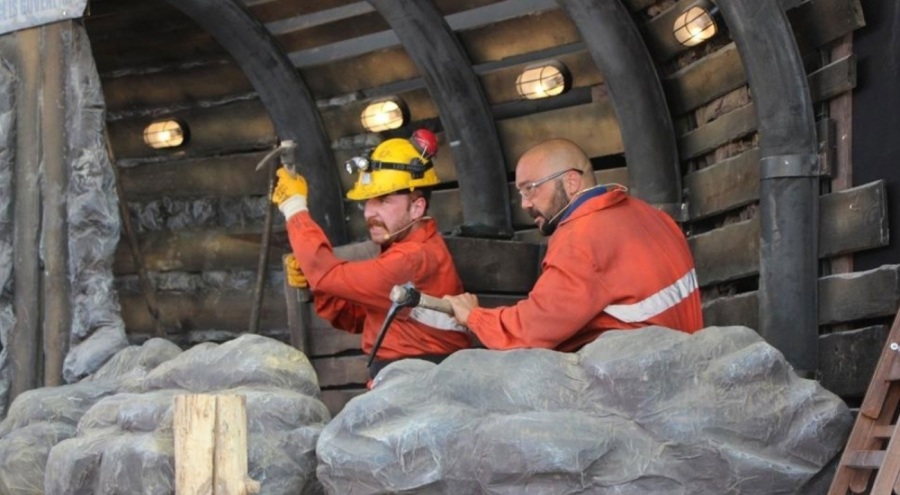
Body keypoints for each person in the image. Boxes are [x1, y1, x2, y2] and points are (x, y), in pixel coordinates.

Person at [444, 138, 703, 351]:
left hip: (635, 385)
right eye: (521, 194)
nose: (524, 204)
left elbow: (533, 329)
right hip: (681, 366)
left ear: (571, 182)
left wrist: (474, 316)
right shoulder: (651, 215)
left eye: (530, 189)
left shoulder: (581, 236)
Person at [271, 129, 470, 380]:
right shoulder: (407, 253)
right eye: (368, 201)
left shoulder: (410, 259)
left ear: (417, 207)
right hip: (411, 382)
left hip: (418, 387)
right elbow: (355, 319)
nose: (369, 213)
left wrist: (294, 208)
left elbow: (326, 273)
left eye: (384, 200)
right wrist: (318, 284)